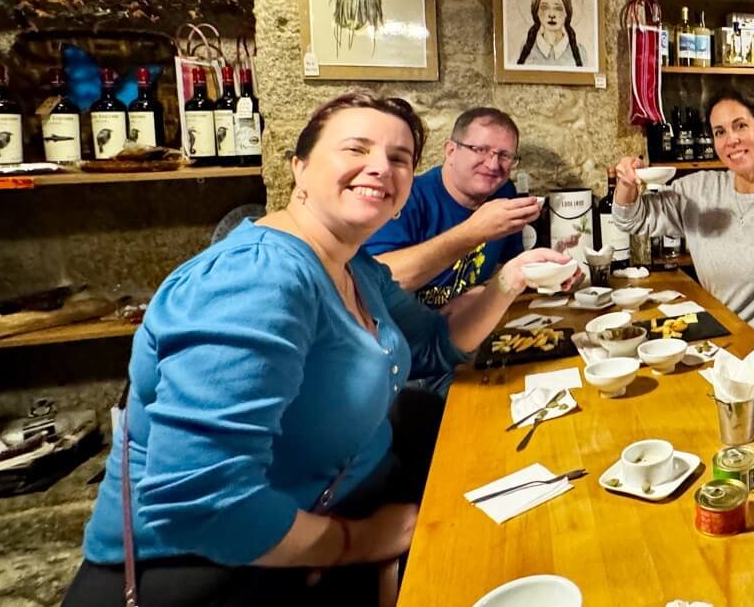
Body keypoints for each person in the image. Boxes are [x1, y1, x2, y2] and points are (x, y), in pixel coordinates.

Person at [63, 91, 577, 607]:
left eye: (398, 158)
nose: (380, 167)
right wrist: (363, 542)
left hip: (325, 529)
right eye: (356, 149)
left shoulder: (357, 270)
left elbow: (434, 346)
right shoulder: (257, 278)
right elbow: (203, 504)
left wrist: (509, 281)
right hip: (206, 574)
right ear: (300, 168)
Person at [612, 88, 754, 342]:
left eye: (741, 126)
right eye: (719, 132)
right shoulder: (697, 190)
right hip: (715, 336)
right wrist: (627, 182)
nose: (731, 140)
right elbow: (630, 219)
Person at [365, 108, 541, 312]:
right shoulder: (407, 196)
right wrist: (474, 231)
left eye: (504, 156)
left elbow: (506, 267)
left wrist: (549, 272)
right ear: (450, 151)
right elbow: (375, 281)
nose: (493, 165)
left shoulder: (505, 192)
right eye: (480, 150)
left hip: (469, 327)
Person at [515, 0, 583, 67]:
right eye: (544, 8)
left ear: (567, 14)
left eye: (558, 8)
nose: (551, 15)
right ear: (536, 13)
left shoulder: (581, 51)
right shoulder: (525, 49)